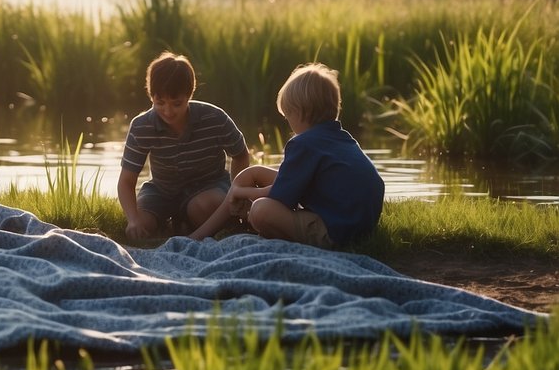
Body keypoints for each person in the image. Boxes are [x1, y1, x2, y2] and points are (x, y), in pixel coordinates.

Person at [187, 62, 384, 248]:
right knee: (253, 172)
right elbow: (296, 182)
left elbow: (280, 197)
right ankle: (211, 228)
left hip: (335, 231)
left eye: (287, 115)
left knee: (260, 210)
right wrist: (246, 186)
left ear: (300, 113)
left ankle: (207, 231)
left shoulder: (303, 144)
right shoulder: (341, 138)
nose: (288, 122)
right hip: (360, 225)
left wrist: (243, 193)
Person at [118, 51, 250, 240]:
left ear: (189, 95)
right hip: (162, 190)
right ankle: (175, 224)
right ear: (151, 97)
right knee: (142, 226)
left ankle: (188, 222)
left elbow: (240, 154)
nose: (168, 111)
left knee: (203, 207)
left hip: (209, 186)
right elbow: (126, 181)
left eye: (177, 104)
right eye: (160, 103)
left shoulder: (214, 117)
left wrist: (236, 192)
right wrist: (133, 220)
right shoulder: (141, 126)